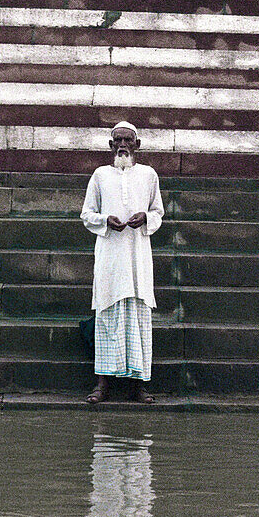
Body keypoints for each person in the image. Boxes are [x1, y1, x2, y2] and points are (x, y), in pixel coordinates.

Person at [80, 121, 164, 404]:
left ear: (137, 145)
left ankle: (138, 386)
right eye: (118, 141)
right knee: (107, 316)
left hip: (138, 257)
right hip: (110, 258)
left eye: (129, 140)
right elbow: (87, 213)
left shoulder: (149, 175)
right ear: (111, 145)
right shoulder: (100, 175)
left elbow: (158, 212)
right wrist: (105, 220)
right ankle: (102, 385)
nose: (123, 145)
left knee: (138, 319)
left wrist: (146, 218)